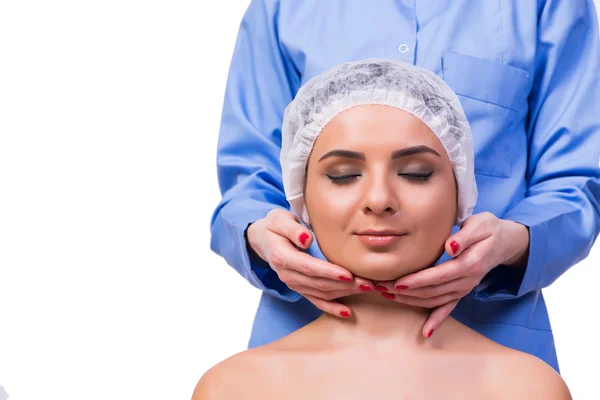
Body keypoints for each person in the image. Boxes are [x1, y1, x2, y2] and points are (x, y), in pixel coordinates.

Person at [210, 0, 600, 372]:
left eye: (416, 172)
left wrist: (512, 243)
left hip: (491, 332)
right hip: (301, 337)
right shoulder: (282, 7)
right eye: (343, 174)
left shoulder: (546, 5)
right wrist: (259, 236)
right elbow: (248, 182)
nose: (379, 200)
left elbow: (578, 182)